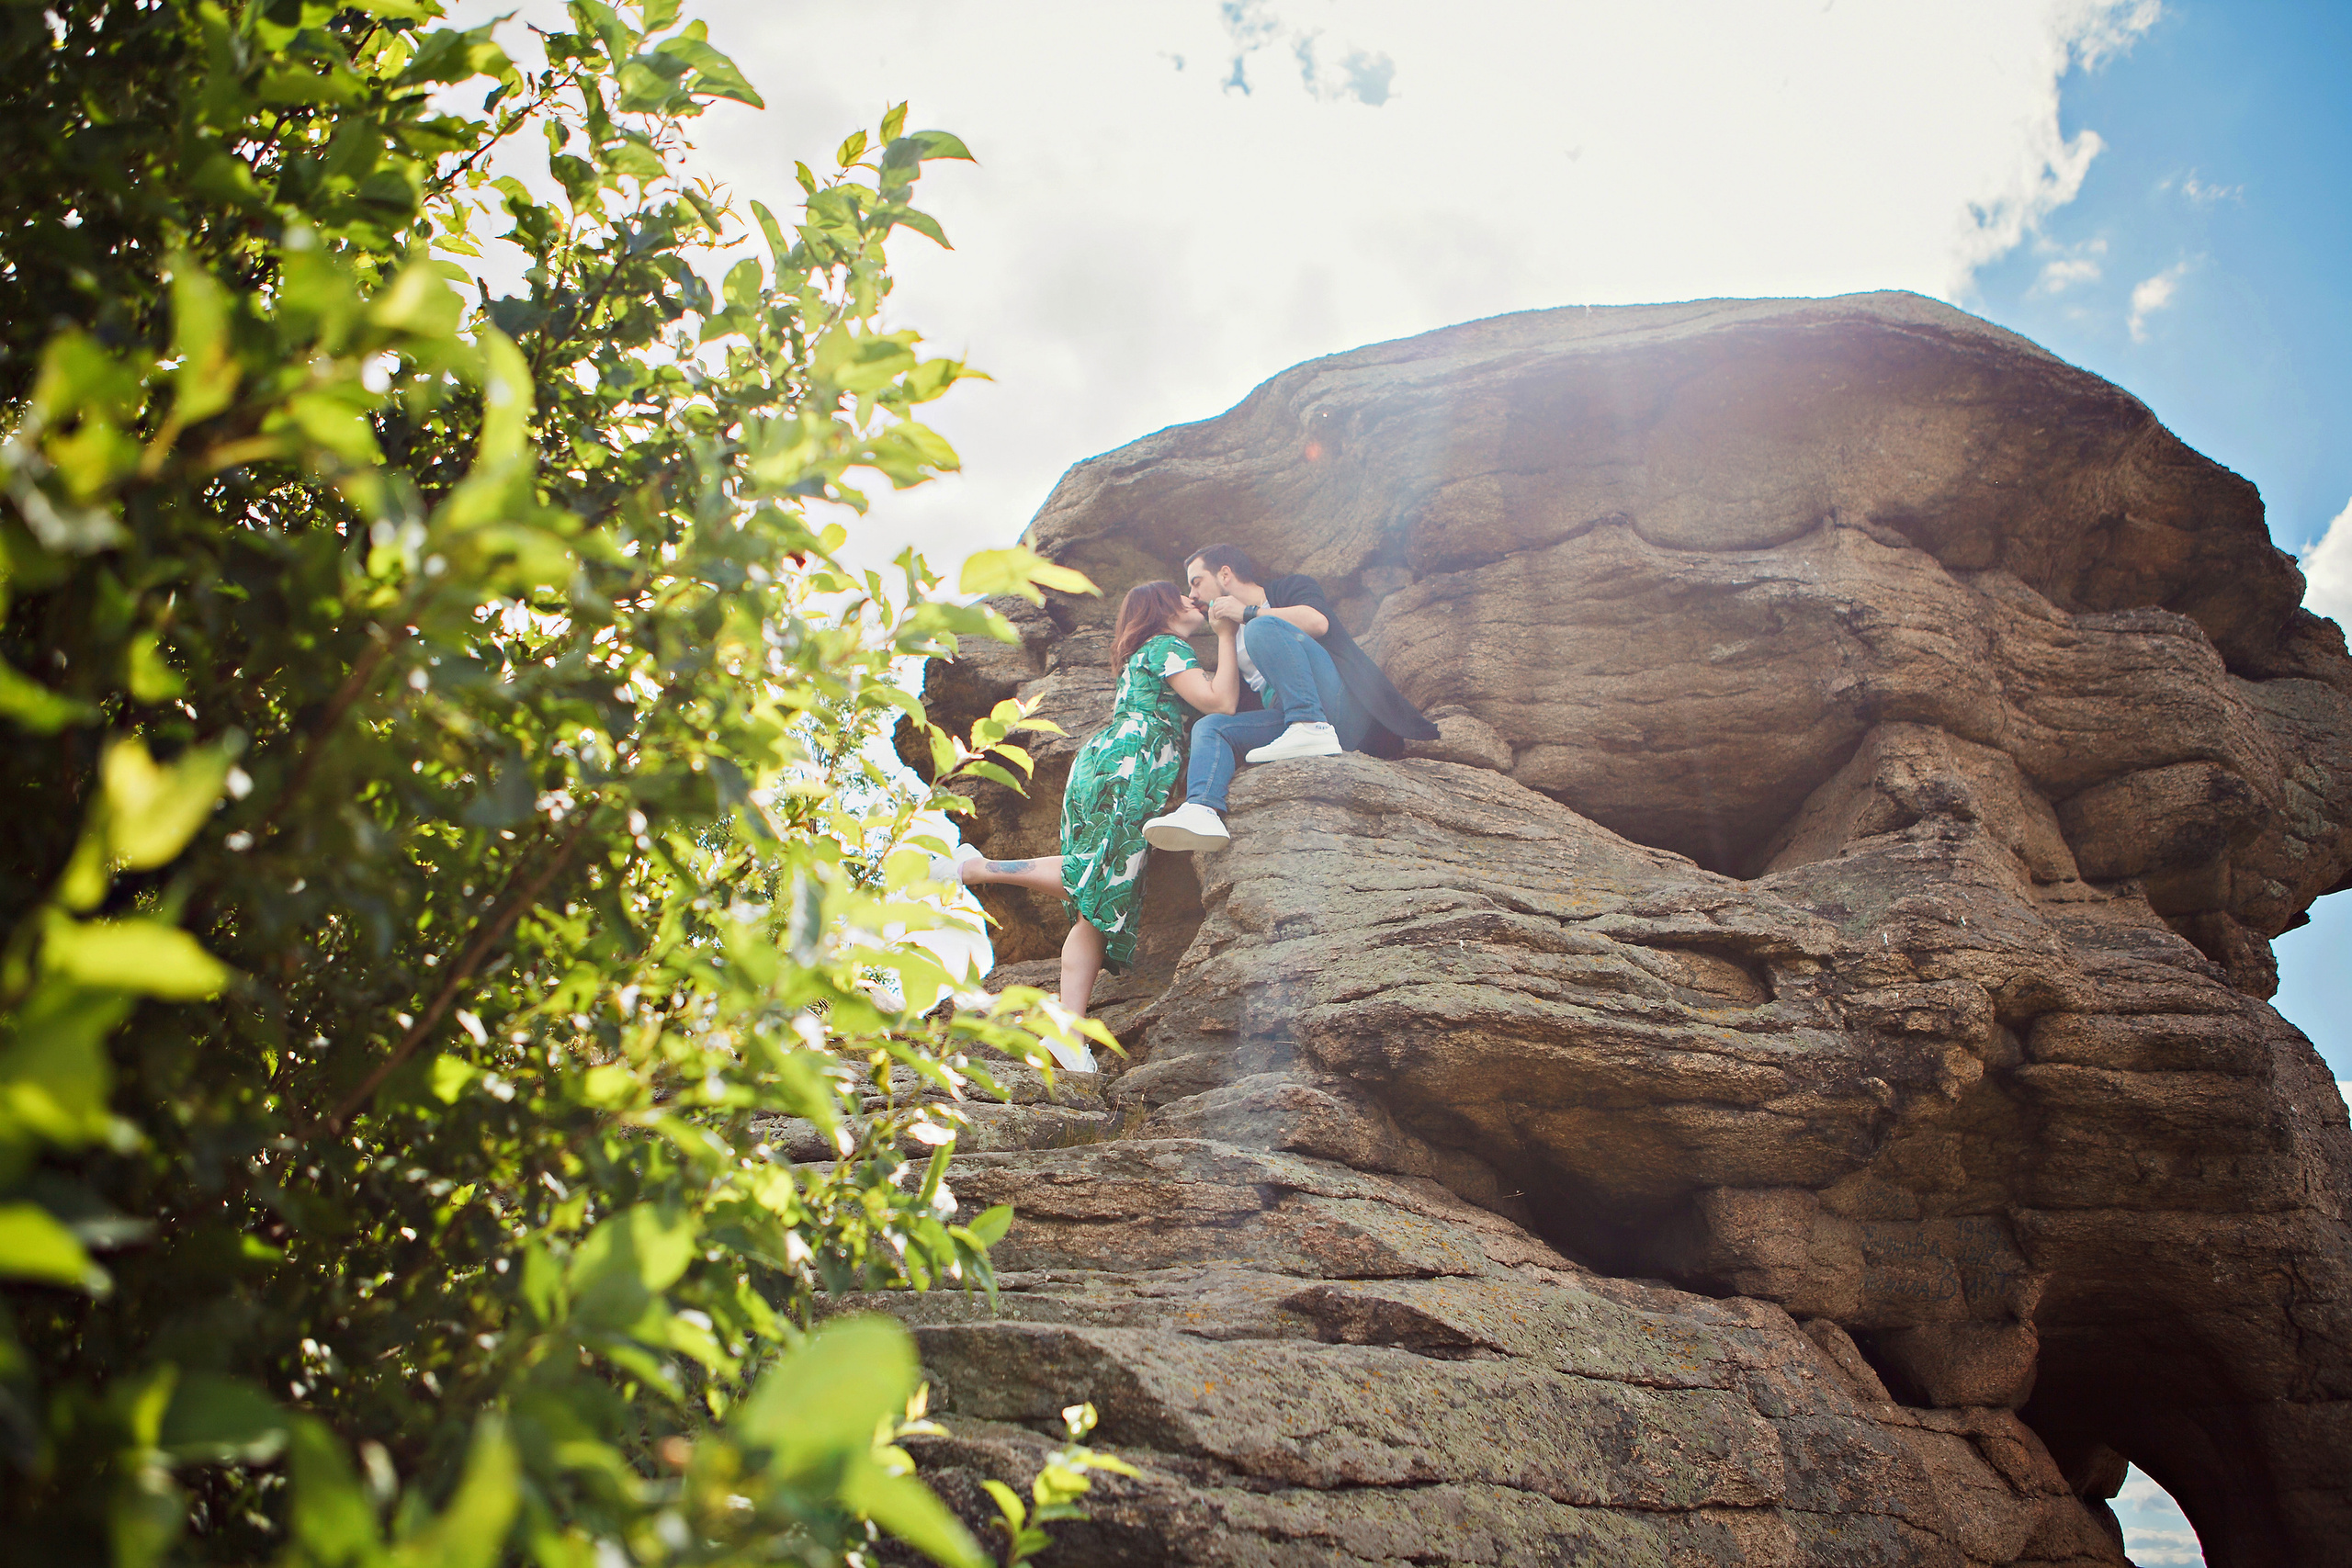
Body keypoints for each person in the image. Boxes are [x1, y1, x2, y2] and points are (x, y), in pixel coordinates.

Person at [934, 581, 1239, 1022]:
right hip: (1134, 765)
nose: (1194, 599)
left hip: (1107, 761)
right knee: (1102, 876)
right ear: (1163, 608)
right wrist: (1228, 634)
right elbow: (1220, 703)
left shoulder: (1145, 654)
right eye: (1184, 594)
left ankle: (1071, 1036)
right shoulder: (1166, 645)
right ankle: (972, 868)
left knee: (1096, 903)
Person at [1141, 543, 1437, 852]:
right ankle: (1201, 810)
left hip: (1338, 712)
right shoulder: (1229, 629)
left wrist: (1247, 613)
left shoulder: (1288, 589)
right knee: (1211, 727)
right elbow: (1228, 704)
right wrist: (1226, 635)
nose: (1192, 595)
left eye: (1196, 582)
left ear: (1225, 574)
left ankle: (1309, 724)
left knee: (1262, 627)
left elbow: (1318, 622)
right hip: (1283, 718)